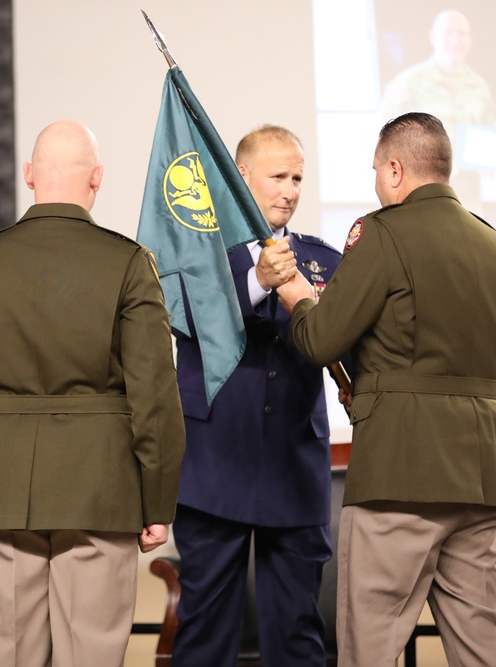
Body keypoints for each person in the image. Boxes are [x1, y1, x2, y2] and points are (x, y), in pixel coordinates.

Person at [0, 120, 186, 667]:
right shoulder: (128, 263)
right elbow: (155, 398)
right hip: (101, 491)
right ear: (97, 179)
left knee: (12, 657)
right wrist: (156, 500)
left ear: (28, 177)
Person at [277, 112, 496, 667]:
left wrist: (298, 296)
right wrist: (375, 382)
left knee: (372, 643)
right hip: (480, 473)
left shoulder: (381, 233)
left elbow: (320, 340)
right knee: (484, 642)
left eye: (374, 171)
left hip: (400, 471)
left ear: (395, 169)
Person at [171, 124, 343, 666]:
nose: (290, 189)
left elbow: (337, 343)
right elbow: (188, 323)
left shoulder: (324, 260)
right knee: (205, 632)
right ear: (241, 177)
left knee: (297, 631)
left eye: (297, 177)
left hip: (294, 467)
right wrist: (259, 283)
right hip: (213, 468)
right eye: (278, 176)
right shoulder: (197, 255)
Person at [378, 8, 496, 213]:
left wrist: (490, 160)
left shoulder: (480, 87)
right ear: (433, 36)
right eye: (448, 32)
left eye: (462, 34)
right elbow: (386, 144)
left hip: (467, 204)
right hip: (421, 201)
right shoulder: (407, 84)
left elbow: (489, 133)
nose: (456, 40)